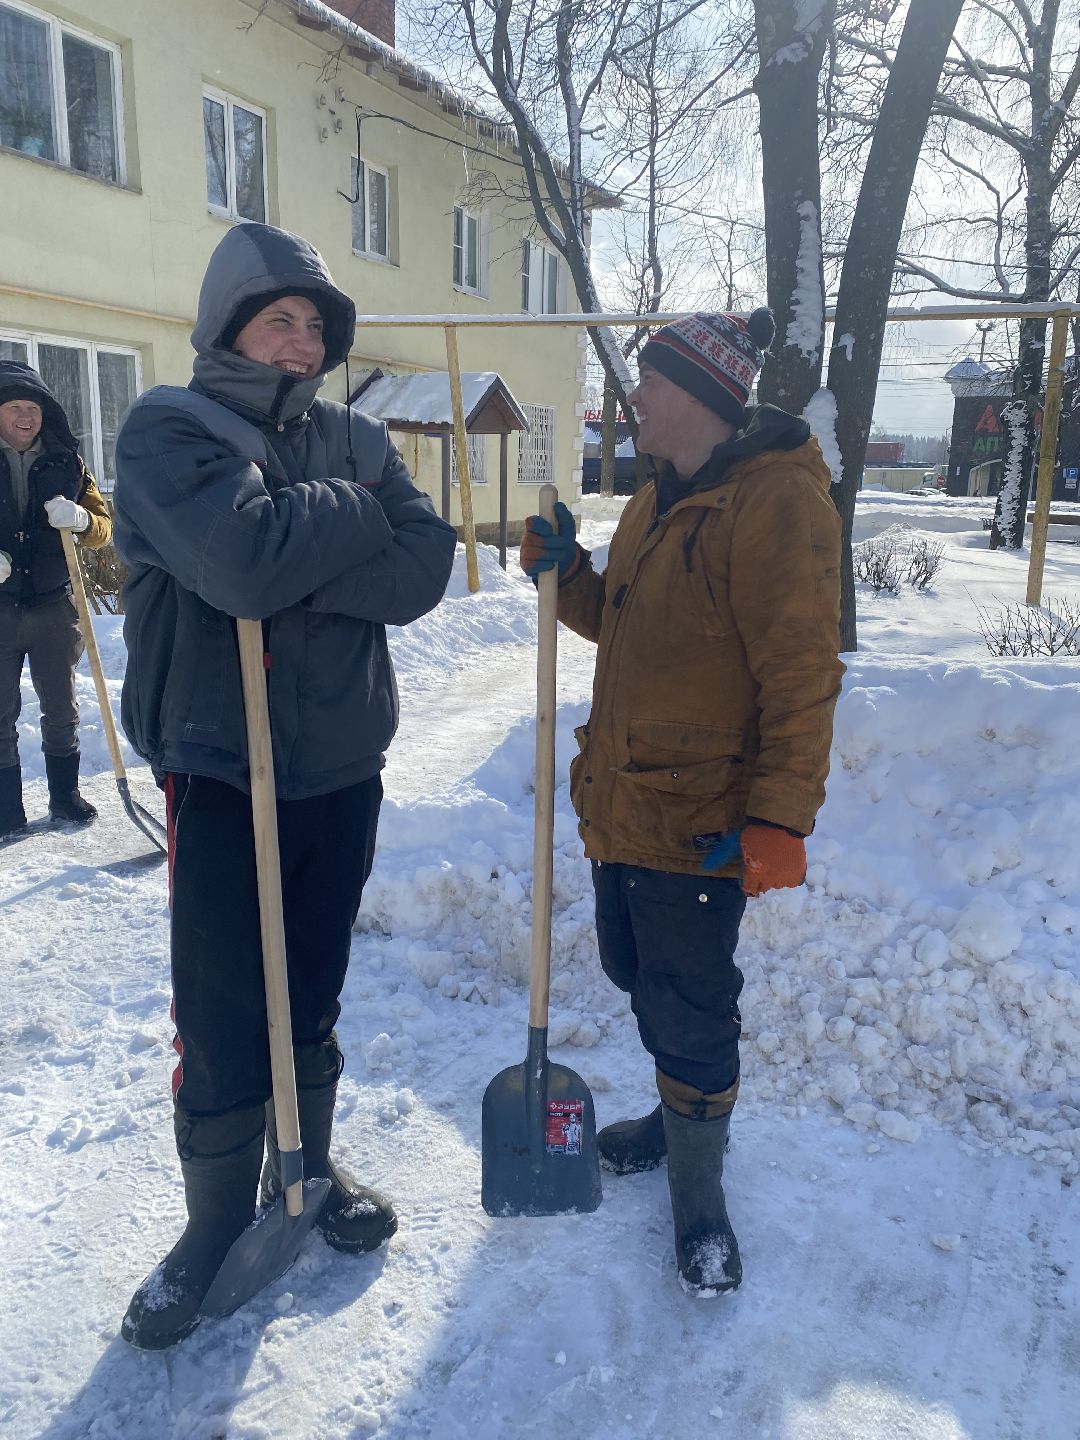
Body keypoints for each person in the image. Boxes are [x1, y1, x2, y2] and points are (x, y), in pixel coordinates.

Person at [112, 222, 457, 1349]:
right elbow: (240, 564)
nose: (303, 343)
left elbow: (423, 570)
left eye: (316, 324)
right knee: (220, 1009)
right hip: (221, 767)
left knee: (310, 989)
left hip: (340, 763)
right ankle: (212, 1223)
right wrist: (342, 519)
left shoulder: (354, 431)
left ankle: (303, 1168)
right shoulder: (169, 429)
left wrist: (288, 549)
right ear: (228, 328)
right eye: (280, 319)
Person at [520, 309, 843, 1296]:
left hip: (703, 816)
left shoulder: (776, 504)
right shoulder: (659, 492)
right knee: (634, 970)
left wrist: (780, 817)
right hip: (627, 801)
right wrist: (565, 575)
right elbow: (622, 621)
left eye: (646, 386)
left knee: (692, 1006)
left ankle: (700, 1200)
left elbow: (801, 674)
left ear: (695, 399)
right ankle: (675, 1116)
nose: (631, 403)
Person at [0, 362, 113, 837]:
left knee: (62, 706)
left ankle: (65, 798)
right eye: (15, 407)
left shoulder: (70, 462)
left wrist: (83, 522)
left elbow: (102, 529)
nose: (27, 416)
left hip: (52, 606)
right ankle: (6, 809)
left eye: (34, 408)